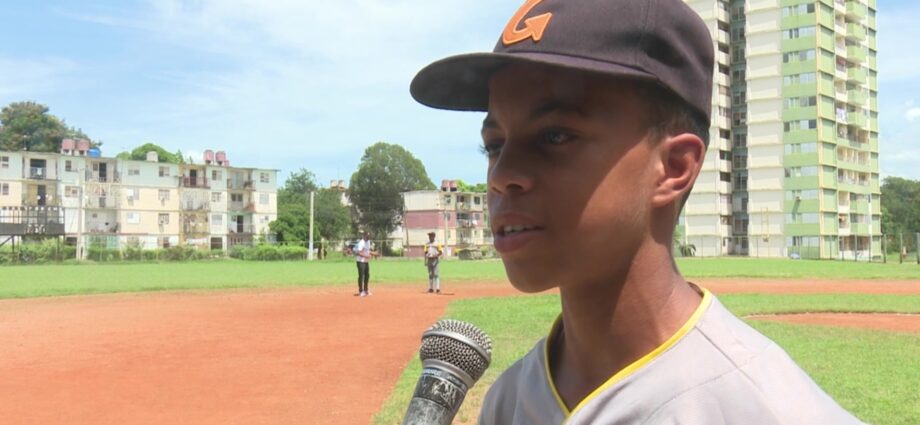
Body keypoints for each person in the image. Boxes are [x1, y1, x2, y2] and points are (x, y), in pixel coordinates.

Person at [409, 0, 864, 423]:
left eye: (554, 136)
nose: (502, 174)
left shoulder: (765, 410)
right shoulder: (508, 402)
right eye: (493, 145)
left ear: (674, 167)